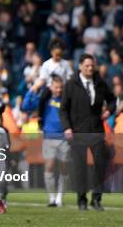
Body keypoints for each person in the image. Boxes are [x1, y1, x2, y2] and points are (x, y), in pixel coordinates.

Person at [59, 54, 116, 211]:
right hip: (77, 132)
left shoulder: (100, 83)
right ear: (80, 66)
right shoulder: (71, 85)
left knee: (100, 164)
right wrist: (67, 127)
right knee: (80, 167)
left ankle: (96, 199)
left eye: (92, 66)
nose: (90, 68)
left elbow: (112, 99)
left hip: (97, 130)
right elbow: (63, 109)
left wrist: (109, 111)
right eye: (87, 66)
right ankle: (81, 199)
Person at [22, 75, 69, 207]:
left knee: (64, 168)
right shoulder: (45, 100)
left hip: (65, 139)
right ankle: (52, 198)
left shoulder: (67, 100)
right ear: (51, 87)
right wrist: (34, 88)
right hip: (49, 137)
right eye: (56, 87)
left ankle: (60, 197)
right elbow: (26, 106)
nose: (58, 90)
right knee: (49, 166)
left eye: (61, 87)